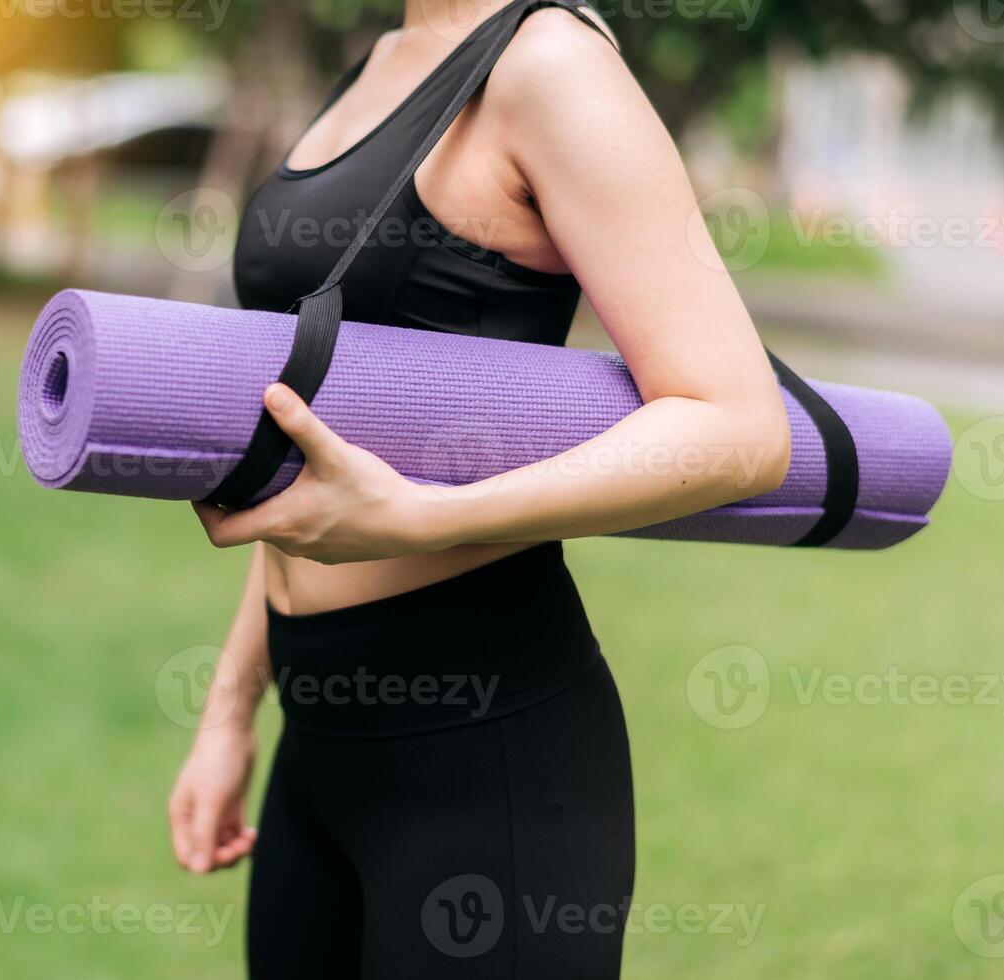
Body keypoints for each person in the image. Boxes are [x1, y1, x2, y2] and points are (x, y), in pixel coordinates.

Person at [168, 1, 792, 975]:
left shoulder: (552, 67)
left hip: (483, 755)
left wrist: (425, 515)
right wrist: (228, 713)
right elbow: (320, 445)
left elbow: (741, 426)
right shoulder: (381, 57)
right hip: (319, 744)